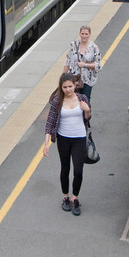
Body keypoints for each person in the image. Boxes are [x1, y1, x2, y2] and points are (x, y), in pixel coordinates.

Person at [43, 72, 91, 216]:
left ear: (75, 85)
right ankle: (65, 197)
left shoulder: (82, 98)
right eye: (65, 87)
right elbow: (49, 123)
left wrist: (87, 110)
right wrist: (46, 144)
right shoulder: (57, 102)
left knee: (78, 171)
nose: (68, 89)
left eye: (70, 86)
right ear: (61, 87)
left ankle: (75, 197)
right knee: (65, 168)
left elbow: (87, 119)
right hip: (63, 138)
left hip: (79, 138)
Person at [63, 25, 101, 100]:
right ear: (79, 34)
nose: (84, 36)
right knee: (73, 99)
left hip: (88, 79)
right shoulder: (73, 45)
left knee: (85, 100)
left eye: (86, 34)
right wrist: (63, 77)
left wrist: (85, 65)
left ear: (89, 34)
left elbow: (98, 65)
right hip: (74, 78)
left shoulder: (94, 48)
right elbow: (67, 61)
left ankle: (86, 112)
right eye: (82, 33)